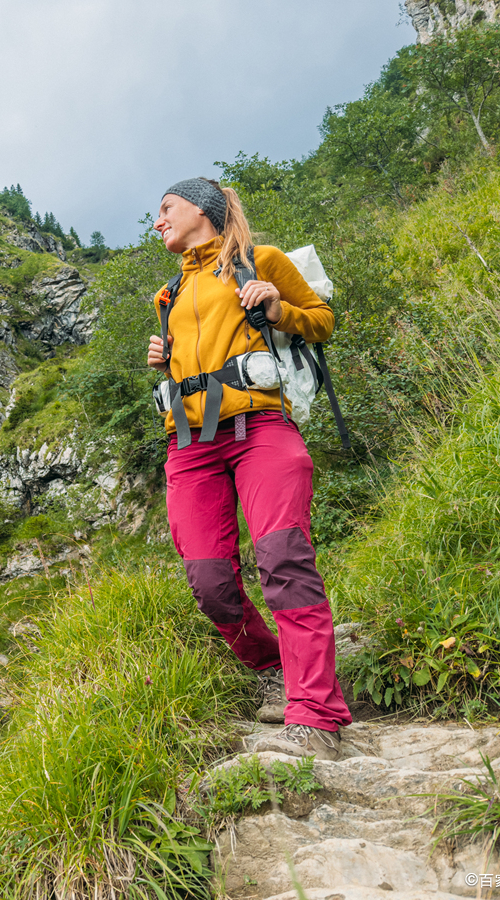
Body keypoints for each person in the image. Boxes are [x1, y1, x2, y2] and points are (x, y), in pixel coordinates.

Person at [146, 177, 351, 761]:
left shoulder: (262, 262)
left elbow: (321, 321)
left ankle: (315, 711)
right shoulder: (168, 295)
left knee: (283, 557)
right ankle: (272, 666)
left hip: (261, 428)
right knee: (209, 582)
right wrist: (164, 356)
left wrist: (278, 307)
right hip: (189, 444)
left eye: (166, 209)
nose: (157, 221)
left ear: (202, 210)